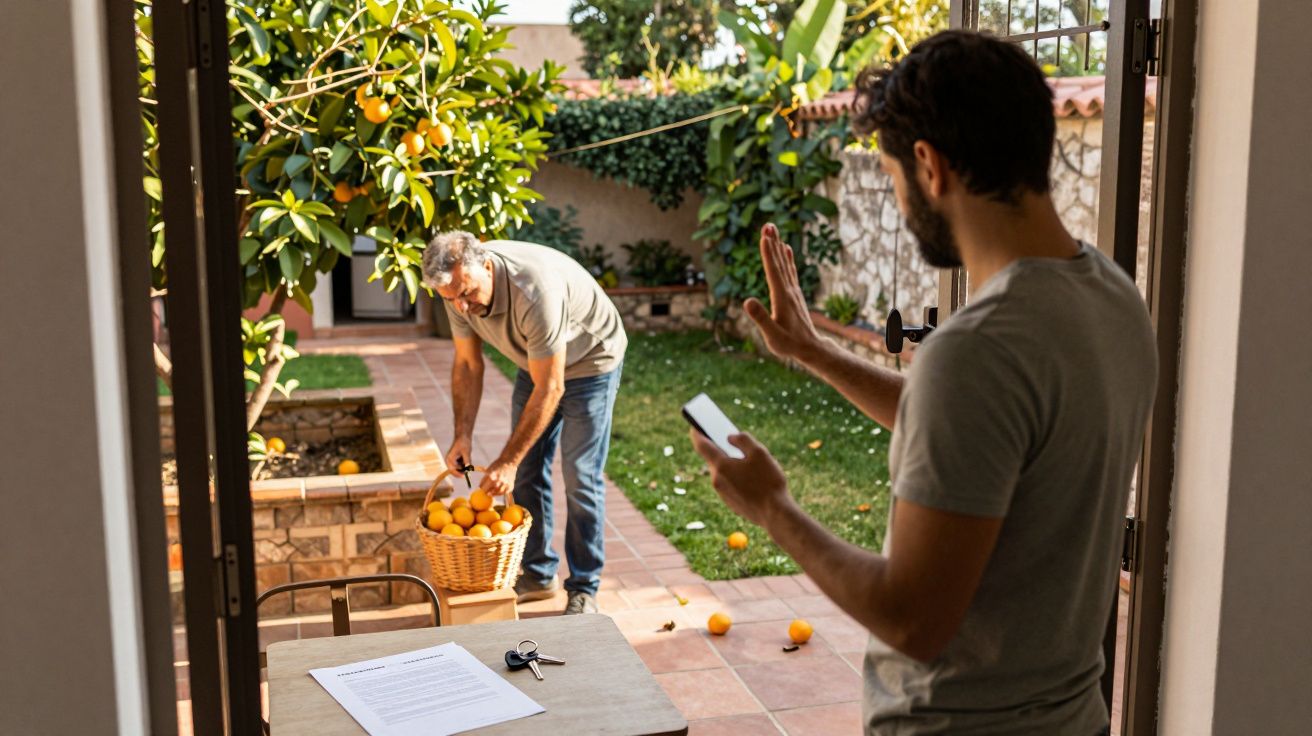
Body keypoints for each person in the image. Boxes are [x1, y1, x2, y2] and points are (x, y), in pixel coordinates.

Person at [688, 31, 1156, 735]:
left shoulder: (978, 352)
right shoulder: (1113, 298)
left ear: (930, 165)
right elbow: (990, 429)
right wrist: (815, 352)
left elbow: (914, 620)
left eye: (894, 176)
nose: (902, 204)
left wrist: (774, 509)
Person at [422, 232, 627, 615]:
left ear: (485, 267)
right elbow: (467, 363)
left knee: (580, 474)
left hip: (591, 359)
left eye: (466, 294)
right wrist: (461, 435)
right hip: (536, 360)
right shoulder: (455, 289)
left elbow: (552, 388)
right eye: (452, 300)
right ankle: (536, 573)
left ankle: (584, 588)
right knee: (530, 468)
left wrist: (508, 461)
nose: (462, 308)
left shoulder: (534, 291)